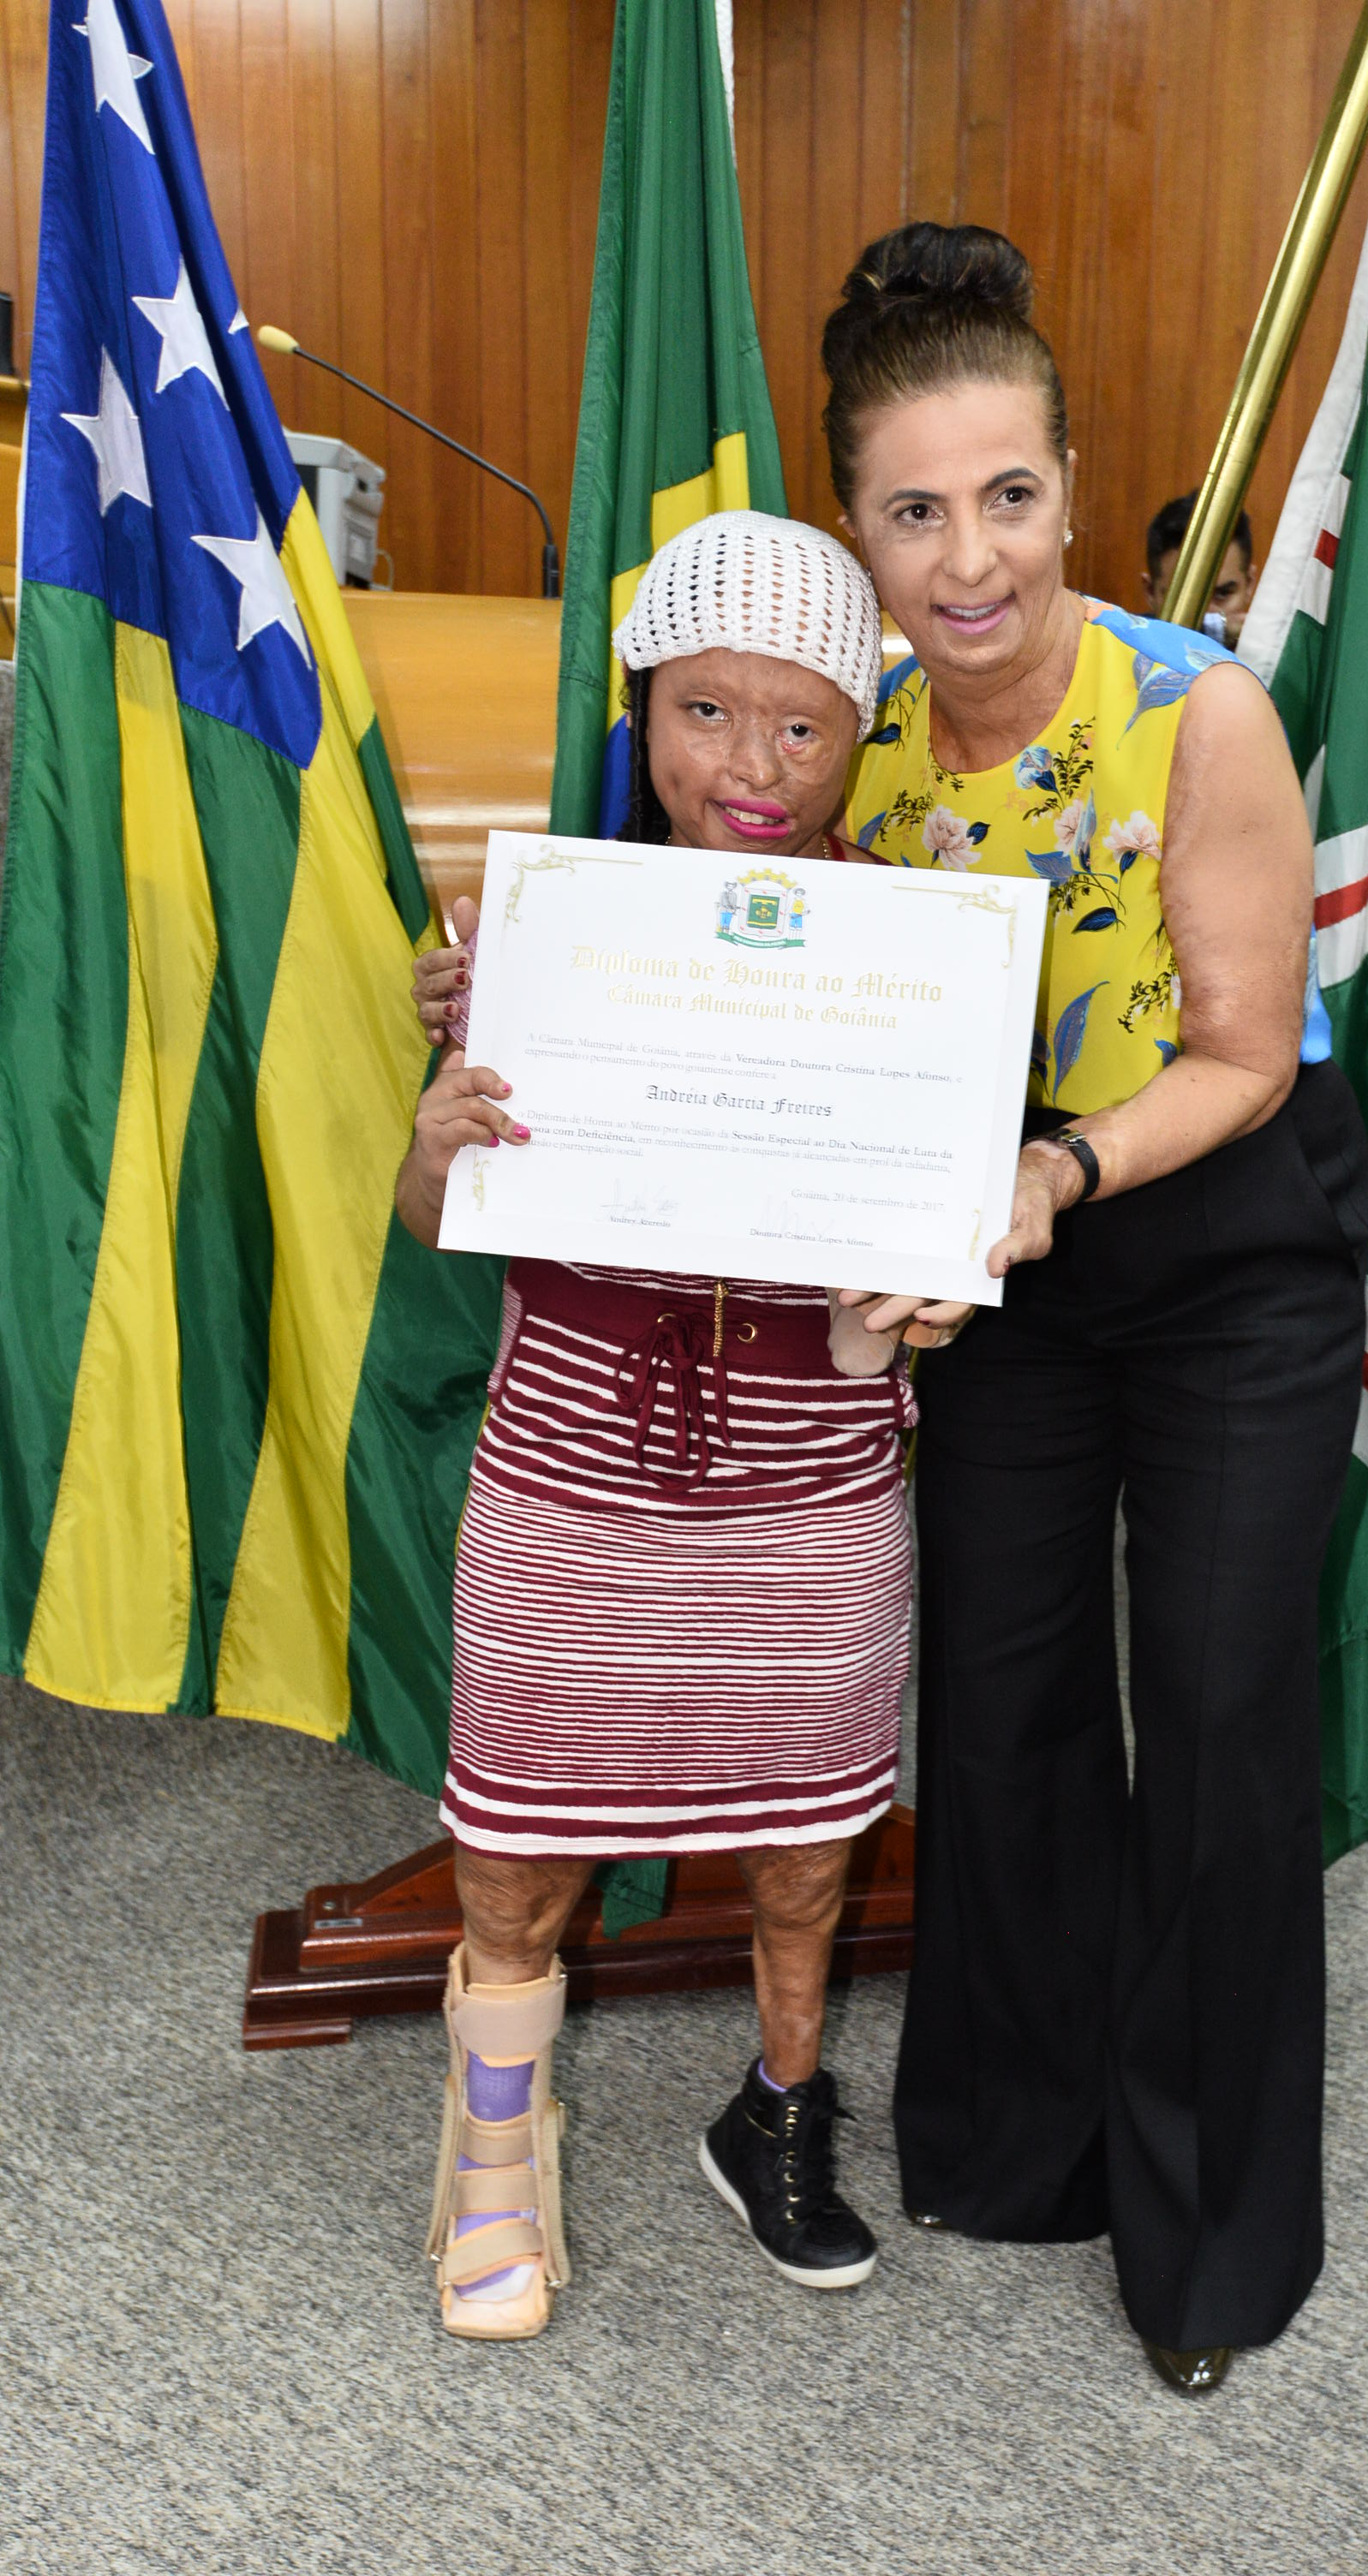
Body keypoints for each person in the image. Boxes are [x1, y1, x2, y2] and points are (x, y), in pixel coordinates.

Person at [827, 223, 1368, 2397]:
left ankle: (1210, 2240)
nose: (967, 558)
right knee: (1002, 1695)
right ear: (855, 526)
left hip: (1216, 1232)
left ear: (1066, 483)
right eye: (912, 510)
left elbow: (1239, 1054)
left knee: (1218, 1715)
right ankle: (1020, 2138)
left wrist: (1049, 1176)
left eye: (1008, 494)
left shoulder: (1192, 708)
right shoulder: (862, 740)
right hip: (1005, 1262)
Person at [398, 511, 955, 2340]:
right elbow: (431, 1219)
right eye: (707, 712)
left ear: (861, 731)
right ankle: (496, 2148)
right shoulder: (545, 932)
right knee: (515, 1843)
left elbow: (923, 1250)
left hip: (811, 1475)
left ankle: (778, 2111)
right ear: (642, 712)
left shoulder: (926, 958)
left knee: (807, 1844)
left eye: (801, 725)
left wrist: (918, 1293)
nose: (751, 768)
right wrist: (438, 1133)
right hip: (568, 1465)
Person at [1144, 487, 1257, 644]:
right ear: (1150, 592)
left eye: (1222, 594)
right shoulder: (1123, 646)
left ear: (1250, 584)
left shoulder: (1274, 654)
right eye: (1182, 597)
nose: (1206, 614)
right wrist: (1218, 628)